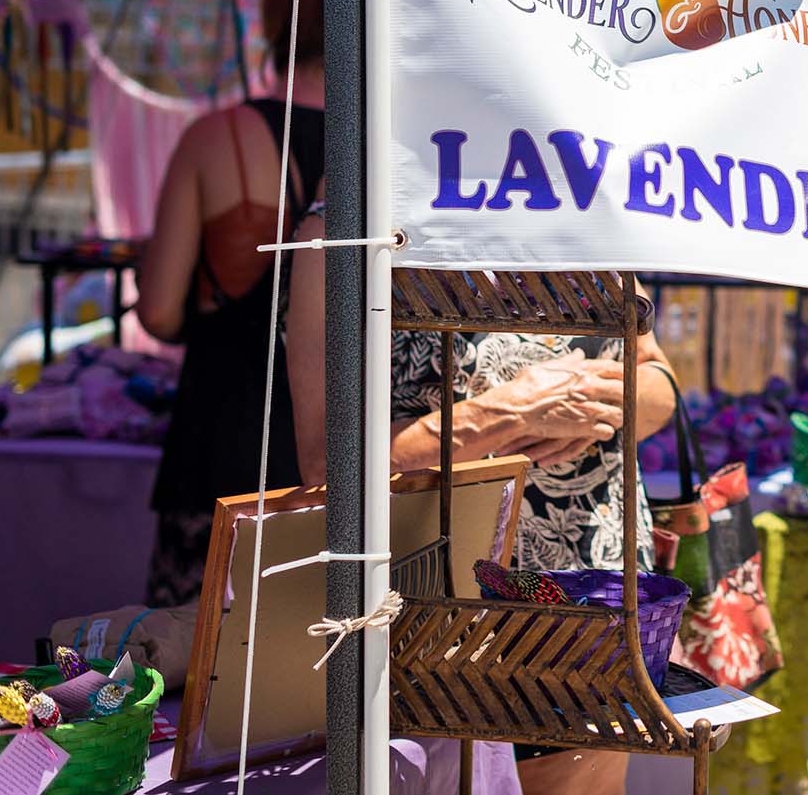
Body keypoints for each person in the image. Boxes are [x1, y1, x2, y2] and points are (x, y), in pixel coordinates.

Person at [284, 199, 677, 795]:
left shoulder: (573, 210)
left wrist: (591, 403)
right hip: (445, 613)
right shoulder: (344, 233)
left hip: (591, 597)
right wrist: (510, 412)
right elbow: (324, 461)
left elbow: (659, 381)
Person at [135, 0, 326, 605]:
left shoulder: (216, 139)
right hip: (337, 447)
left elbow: (158, 311)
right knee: (318, 662)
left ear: (273, 43)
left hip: (220, 436)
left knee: (191, 663)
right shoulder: (393, 152)